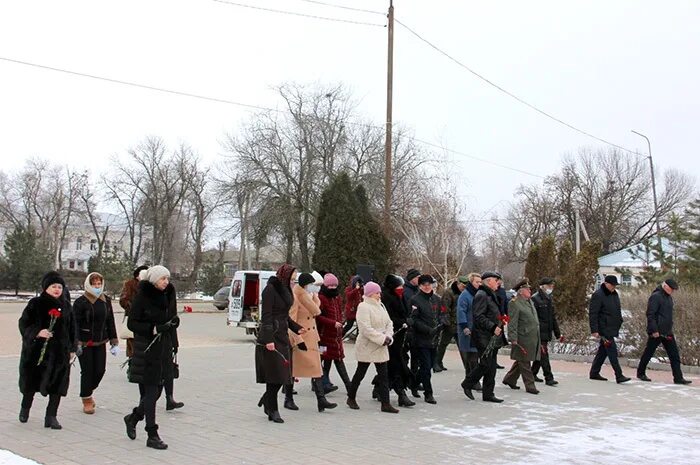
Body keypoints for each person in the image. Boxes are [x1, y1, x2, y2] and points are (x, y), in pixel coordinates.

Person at [123, 265, 180, 450]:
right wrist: (153, 328)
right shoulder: (143, 296)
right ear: (154, 279)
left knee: (156, 392)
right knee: (150, 391)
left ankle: (133, 418)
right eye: (163, 278)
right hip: (147, 349)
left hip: (163, 347)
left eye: (167, 279)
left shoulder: (167, 294)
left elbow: (168, 318)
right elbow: (133, 323)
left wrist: (172, 326)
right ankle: (152, 434)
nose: (166, 282)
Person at [18, 272, 77, 429]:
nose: (57, 290)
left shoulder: (66, 306)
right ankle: (25, 408)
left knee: (57, 384)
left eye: (60, 287)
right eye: (54, 286)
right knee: (31, 383)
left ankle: (51, 416)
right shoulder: (36, 303)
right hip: (37, 353)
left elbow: (72, 329)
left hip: (59, 354)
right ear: (46, 288)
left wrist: (72, 348)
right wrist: (38, 332)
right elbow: (24, 324)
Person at [255, 264, 306, 423]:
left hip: (283, 336)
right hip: (271, 337)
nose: (293, 281)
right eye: (291, 278)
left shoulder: (285, 289)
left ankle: (268, 402)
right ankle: (273, 409)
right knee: (274, 376)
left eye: (294, 279)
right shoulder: (270, 289)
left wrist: (297, 328)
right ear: (284, 276)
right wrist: (268, 339)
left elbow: (284, 316)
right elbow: (267, 316)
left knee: (283, 375)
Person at [285, 272, 337, 413]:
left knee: (316, 369)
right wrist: (297, 339)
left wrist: (314, 297)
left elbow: (316, 311)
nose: (314, 287)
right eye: (311, 285)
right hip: (301, 338)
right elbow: (291, 321)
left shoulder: (310, 296)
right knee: (294, 370)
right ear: (304, 285)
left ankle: (321, 400)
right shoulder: (296, 297)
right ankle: (288, 398)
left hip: (312, 338)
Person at [346, 282, 399, 413]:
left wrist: (388, 336)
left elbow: (389, 323)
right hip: (367, 345)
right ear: (370, 294)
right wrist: (381, 338)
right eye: (377, 292)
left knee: (383, 375)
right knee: (360, 373)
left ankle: (385, 404)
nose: (379, 295)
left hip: (381, 345)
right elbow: (365, 328)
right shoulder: (363, 307)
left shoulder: (381, 305)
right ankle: (351, 397)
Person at [73, 272, 118, 414]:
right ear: (88, 285)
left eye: (99, 284)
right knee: (87, 371)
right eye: (94, 284)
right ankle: (86, 399)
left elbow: (110, 321)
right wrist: (76, 342)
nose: (97, 287)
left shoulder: (106, 300)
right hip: (85, 343)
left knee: (99, 370)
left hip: (100, 342)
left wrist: (113, 340)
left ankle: (87, 390)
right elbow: (74, 324)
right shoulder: (81, 302)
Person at [462, 271, 507, 403]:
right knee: (486, 364)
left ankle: (488, 393)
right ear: (488, 281)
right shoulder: (482, 295)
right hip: (483, 336)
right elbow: (478, 316)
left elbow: (491, 313)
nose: (498, 282)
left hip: (492, 336)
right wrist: (493, 327)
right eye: (496, 280)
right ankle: (467, 383)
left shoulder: (490, 294)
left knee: (491, 366)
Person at [637, 279, 692, 385]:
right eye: (671, 289)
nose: (672, 291)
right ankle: (640, 373)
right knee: (649, 352)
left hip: (667, 331)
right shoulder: (656, 296)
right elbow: (650, 314)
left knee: (674, 355)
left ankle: (678, 378)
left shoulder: (669, 298)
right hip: (657, 331)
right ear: (665, 286)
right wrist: (654, 330)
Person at [588, 275, 631, 384]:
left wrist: (619, 320)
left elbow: (617, 309)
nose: (614, 287)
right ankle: (619, 375)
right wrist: (594, 329)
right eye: (612, 285)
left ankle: (594, 372)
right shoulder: (598, 295)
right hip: (604, 329)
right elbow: (593, 313)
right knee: (612, 351)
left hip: (612, 327)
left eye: (615, 285)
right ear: (606, 284)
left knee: (603, 351)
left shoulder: (614, 294)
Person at [381, 274, 415, 407]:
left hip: (401, 337)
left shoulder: (399, 297)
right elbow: (388, 318)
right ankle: (401, 393)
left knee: (391, 365)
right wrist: (404, 321)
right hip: (391, 337)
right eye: (398, 286)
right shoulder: (387, 298)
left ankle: (379, 389)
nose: (401, 288)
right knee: (396, 365)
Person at [502, 279, 541, 395]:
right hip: (522, 337)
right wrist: (513, 338)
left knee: (522, 360)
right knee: (525, 361)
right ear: (520, 291)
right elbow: (512, 322)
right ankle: (530, 385)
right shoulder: (514, 303)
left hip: (531, 336)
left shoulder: (529, 301)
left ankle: (509, 379)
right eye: (527, 289)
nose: (530, 290)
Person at [409, 274, 442, 404]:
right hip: (421, 339)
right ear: (420, 286)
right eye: (424, 285)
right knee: (426, 367)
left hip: (434, 338)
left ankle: (414, 383)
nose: (427, 287)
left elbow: (441, 313)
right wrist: (427, 329)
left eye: (429, 284)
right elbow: (414, 319)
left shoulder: (436, 299)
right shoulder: (415, 300)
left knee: (428, 366)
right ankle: (428, 393)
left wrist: (442, 323)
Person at [317, 273, 352, 393]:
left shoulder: (337, 297)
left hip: (335, 336)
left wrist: (341, 322)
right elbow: (318, 316)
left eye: (334, 285)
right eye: (330, 285)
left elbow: (338, 312)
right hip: (323, 336)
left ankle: (326, 383)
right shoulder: (321, 298)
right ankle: (322, 383)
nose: (332, 288)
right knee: (322, 358)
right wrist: (333, 323)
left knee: (334, 359)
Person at [531, 277, 562, 386]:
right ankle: (549, 377)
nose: (551, 288)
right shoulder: (535, 299)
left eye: (552, 286)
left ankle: (532, 373)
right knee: (544, 355)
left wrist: (557, 332)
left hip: (546, 331)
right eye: (549, 286)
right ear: (542, 286)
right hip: (539, 332)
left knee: (540, 355)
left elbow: (552, 318)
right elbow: (532, 318)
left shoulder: (548, 298)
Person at [435, 276, 466, 372]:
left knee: (463, 346)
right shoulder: (449, 293)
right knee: (443, 344)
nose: (463, 288)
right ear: (457, 284)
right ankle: (437, 363)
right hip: (450, 324)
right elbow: (444, 308)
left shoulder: (465, 293)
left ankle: (468, 366)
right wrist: (446, 322)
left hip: (460, 324)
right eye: (462, 286)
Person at [457, 273, 481, 392]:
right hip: (468, 330)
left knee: (474, 357)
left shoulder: (478, 294)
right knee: (472, 357)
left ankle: (470, 380)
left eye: (480, 282)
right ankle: (473, 381)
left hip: (477, 330)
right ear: (471, 282)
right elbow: (461, 311)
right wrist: (464, 326)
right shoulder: (465, 295)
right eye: (477, 282)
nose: (479, 284)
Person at [119, 265, 148, 358]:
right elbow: (123, 300)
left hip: (147, 321)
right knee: (134, 350)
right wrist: (133, 307)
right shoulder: (130, 284)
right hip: (133, 319)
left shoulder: (150, 285)